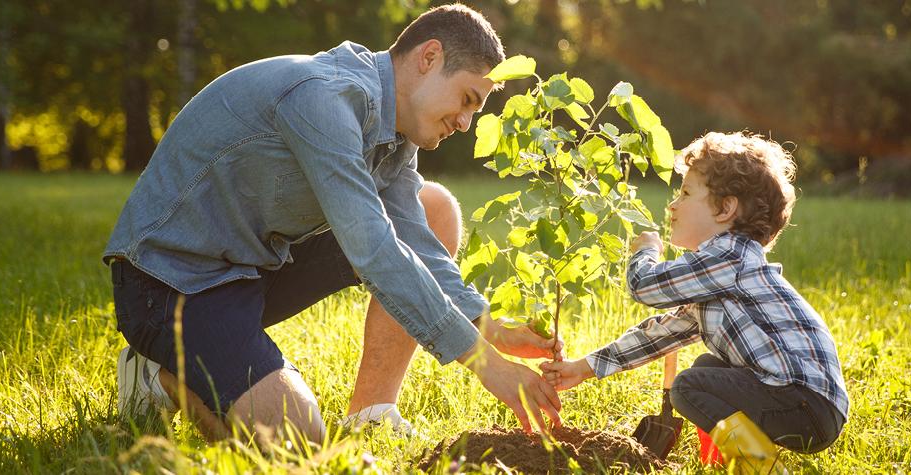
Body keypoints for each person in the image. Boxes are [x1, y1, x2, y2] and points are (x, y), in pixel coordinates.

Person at [104, 4, 562, 445]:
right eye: (467, 100)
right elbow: (374, 248)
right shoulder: (324, 97)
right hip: (171, 284)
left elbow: (416, 241)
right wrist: (486, 364)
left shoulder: (396, 135)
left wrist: (487, 325)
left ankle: (372, 414)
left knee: (432, 208)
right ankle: (157, 378)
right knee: (297, 440)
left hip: (250, 268)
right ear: (429, 57)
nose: (465, 123)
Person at [540, 132, 849, 472]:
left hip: (803, 401)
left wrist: (646, 252)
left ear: (725, 208)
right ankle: (724, 463)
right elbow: (658, 335)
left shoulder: (729, 257)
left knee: (688, 387)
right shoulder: (719, 276)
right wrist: (581, 369)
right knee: (705, 369)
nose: (672, 205)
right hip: (807, 403)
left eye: (685, 193)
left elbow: (644, 286)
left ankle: (762, 469)